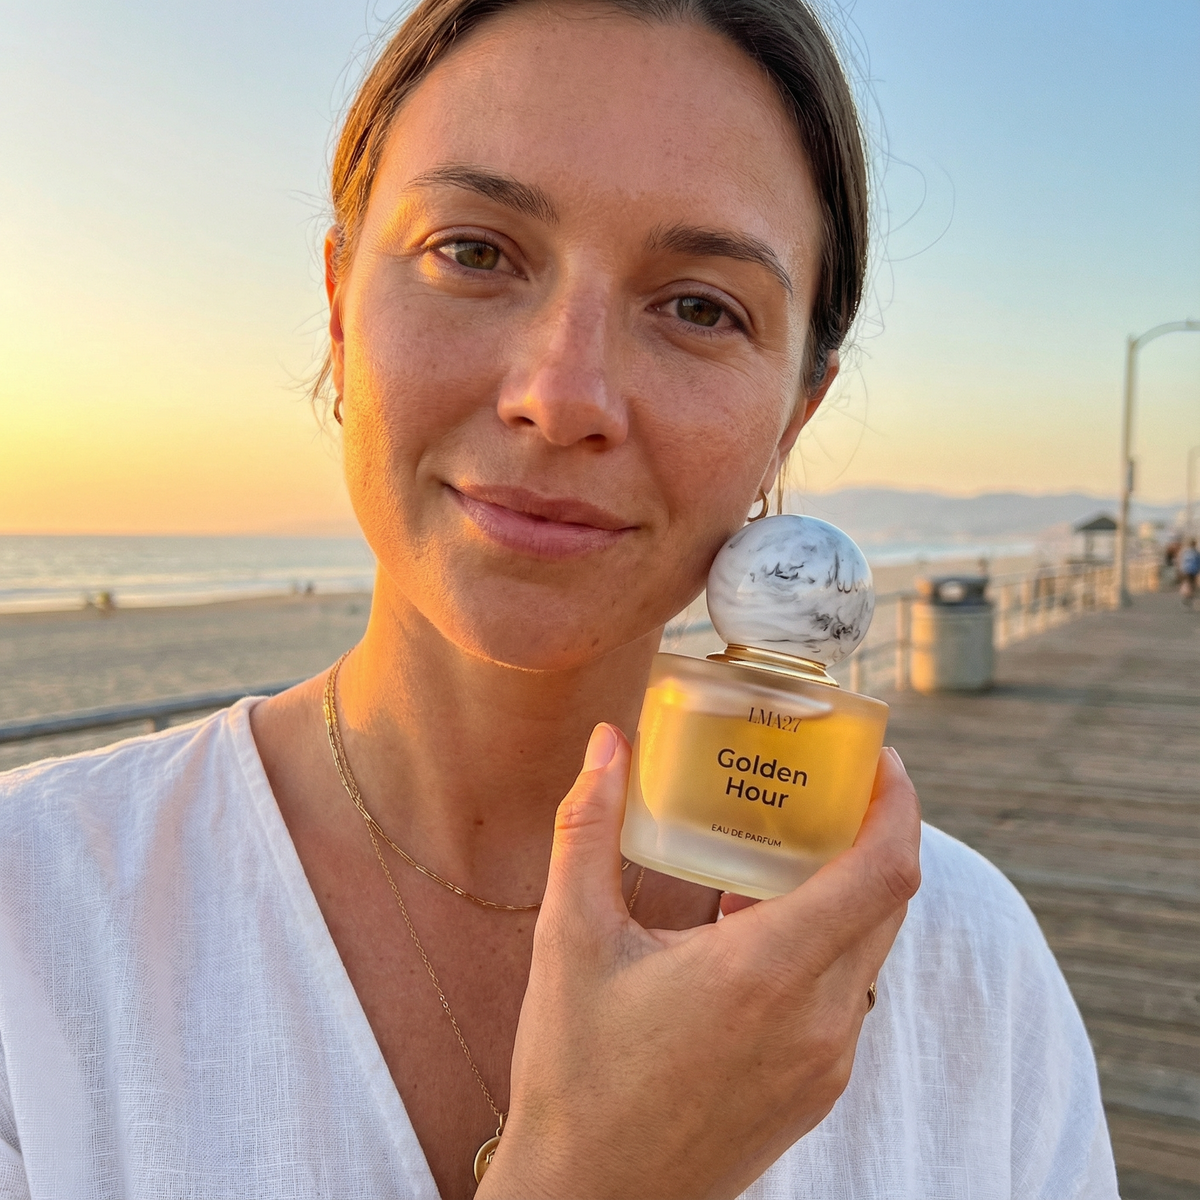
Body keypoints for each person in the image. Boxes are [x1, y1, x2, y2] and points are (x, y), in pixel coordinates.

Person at [0, 1, 1118, 1197]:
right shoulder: (36, 923)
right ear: (338, 303)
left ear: (795, 411)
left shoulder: (965, 970)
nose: (562, 392)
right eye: (473, 252)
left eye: (700, 307)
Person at [1181, 538, 1200, 607]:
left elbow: (1184, 561)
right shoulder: (1196, 552)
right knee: (1192, 584)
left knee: (1188, 583)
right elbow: (1198, 562)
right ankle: (1189, 596)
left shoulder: (1186, 552)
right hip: (1194, 570)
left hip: (1187, 570)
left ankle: (1187, 596)